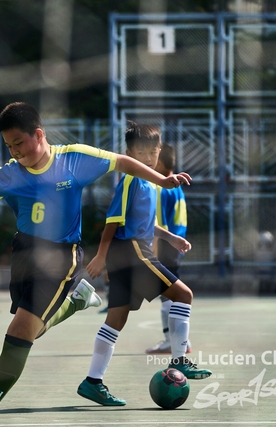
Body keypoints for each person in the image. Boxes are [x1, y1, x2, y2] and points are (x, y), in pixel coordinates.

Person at [0, 103, 192, 427]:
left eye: (19, 143)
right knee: (29, 333)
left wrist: (162, 181)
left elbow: (121, 162)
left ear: (38, 134)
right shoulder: (11, 173)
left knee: (20, 331)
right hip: (23, 254)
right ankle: (76, 301)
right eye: (9, 146)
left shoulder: (74, 159)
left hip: (61, 257)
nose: (14, 151)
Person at [81, 122, 211, 407]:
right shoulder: (130, 179)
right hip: (132, 252)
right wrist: (100, 257)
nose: (149, 158)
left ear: (160, 151)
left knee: (116, 318)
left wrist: (171, 237)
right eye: (141, 152)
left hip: (128, 252)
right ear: (129, 153)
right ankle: (180, 360)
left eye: (153, 152)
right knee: (183, 295)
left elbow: (142, 222)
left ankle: (92, 381)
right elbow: (113, 221)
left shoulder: (149, 182)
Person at [145, 145, 192, 355]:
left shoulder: (160, 188)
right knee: (173, 293)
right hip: (176, 242)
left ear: (160, 164)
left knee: (167, 294)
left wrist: (153, 248)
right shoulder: (178, 185)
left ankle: (171, 341)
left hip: (166, 243)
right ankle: (181, 341)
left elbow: (159, 222)